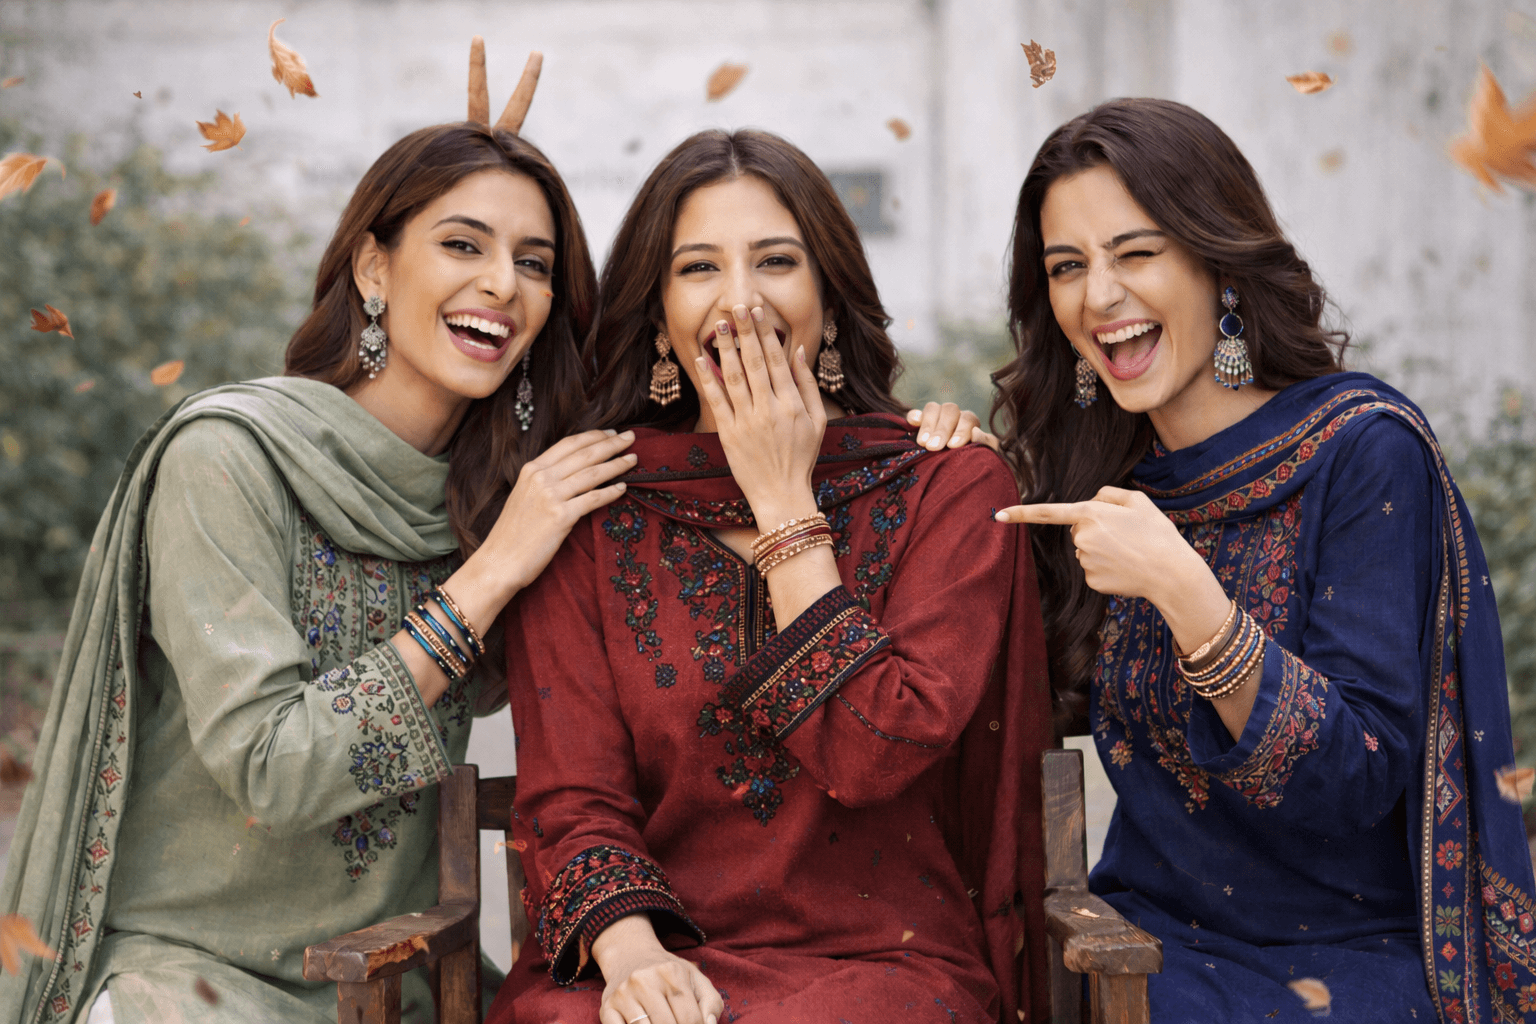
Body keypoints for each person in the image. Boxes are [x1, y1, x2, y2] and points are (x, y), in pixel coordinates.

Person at [0, 46, 646, 1024]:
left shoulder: (489, 500)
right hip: (190, 984)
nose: (503, 284)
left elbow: (645, 421)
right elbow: (273, 771)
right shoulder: (229, 460)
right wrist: (492, 574)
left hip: (395, 982)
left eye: (534, 262)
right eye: (461, 244)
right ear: (373, 267)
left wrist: (924, 435)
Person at [487, 128, 1054, 1024]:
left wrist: (786, 503)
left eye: (776, 261)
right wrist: (635, 961)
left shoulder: (950, 486)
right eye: (699, 268)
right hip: (645, 955)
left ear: (830, 299)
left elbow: (874, 750)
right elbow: (573, 796)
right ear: (661, 315)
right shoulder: (592, 513)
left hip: (884, 969)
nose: (740, 302)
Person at [994, 97, 1536, 1023]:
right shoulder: (1106, 483)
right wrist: (945, 468)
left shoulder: (1363, 451)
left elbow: (1358, 775)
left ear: (1219, 261)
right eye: (1067, 266)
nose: (1099, 296)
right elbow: (1002, 698)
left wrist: (1184, 591)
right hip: (1146, 942)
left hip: (1356, 956)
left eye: (1137, 253)